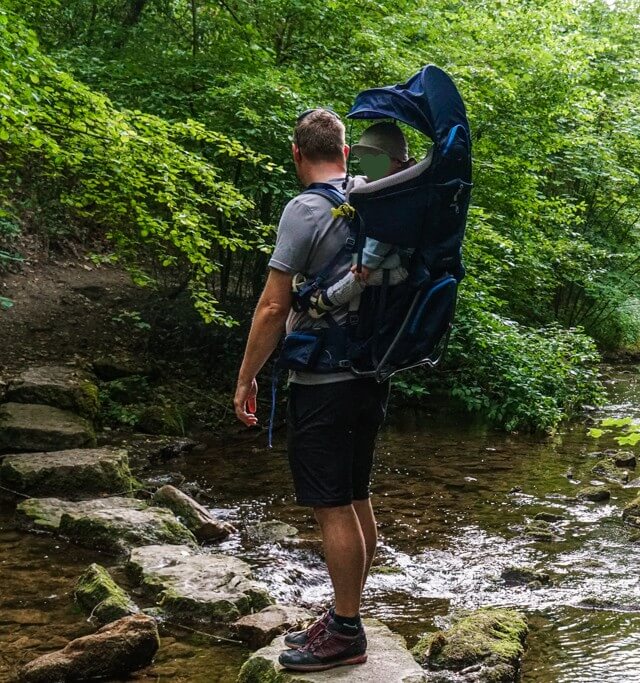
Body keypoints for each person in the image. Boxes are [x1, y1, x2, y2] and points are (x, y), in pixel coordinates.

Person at [232, 108, 389, 672]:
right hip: (373, 371)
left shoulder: (304, 210)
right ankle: (347, 614)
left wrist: (247, 376)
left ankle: (346, 631)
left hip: (323, 379)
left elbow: (274, 305)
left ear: (298, 155)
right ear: (346, 154)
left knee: (330, 504)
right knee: (356, 494)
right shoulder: (374, 201)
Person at [309, 122, 417, 318]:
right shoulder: (388, 185)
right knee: (355, 264)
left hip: (399, 266)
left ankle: (324, 302)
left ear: (397, 163)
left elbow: (384, 234)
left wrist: (365, 263)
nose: (369, 165)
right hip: (387, 259)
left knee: (358, 276)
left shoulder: (399, 193)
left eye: (376, 159)